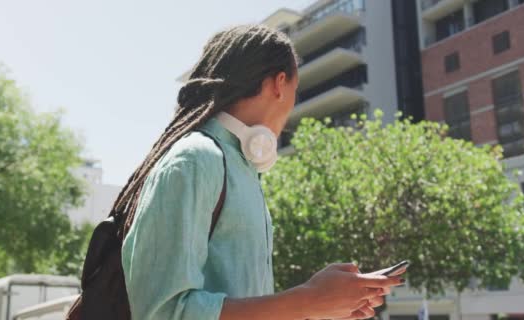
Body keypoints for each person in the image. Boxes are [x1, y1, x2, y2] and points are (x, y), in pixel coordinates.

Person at [114, 24, 404, 320]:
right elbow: (164, 313)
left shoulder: (240, 169)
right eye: (295, 91)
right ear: (279, 84)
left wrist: (320, 306)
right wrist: (306, 301)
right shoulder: (195, 160)